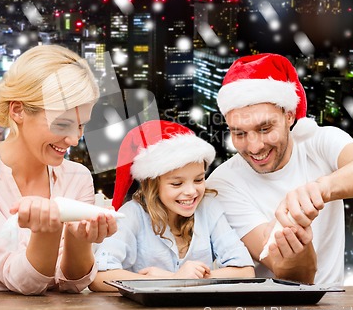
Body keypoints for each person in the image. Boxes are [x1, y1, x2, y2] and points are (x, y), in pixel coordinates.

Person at [0, 45, 117, 295]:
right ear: (18, 110)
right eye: (62, 124)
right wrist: (48, 230)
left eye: (81, 126)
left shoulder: (78, 177)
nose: (75, 139)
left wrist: (80, 240)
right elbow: (22, 281)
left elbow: (72, 284)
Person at [207, 53, 353, 285]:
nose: (254, 146)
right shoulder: (222, 184)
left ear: (289, 116)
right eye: (239, 133)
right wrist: (298, 241)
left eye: (265, 128)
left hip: (334, 308)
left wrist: (320, 189)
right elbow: (292, 276)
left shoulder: (319, 142)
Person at [89, 120, 255, 291]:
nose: (191, 191)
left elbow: (245, 271)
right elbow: (99, 278)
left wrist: (181, 280)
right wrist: (175, 278)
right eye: (177, 184)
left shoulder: (209, 207)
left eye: (199, 179)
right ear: (153, 184)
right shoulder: (132, 214)